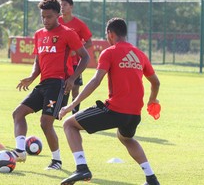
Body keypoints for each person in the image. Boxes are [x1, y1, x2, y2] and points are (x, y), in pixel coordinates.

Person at [59, 18, 160, 185]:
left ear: (110, 34)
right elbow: (155, 82)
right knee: (126, 138)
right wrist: (152, 100)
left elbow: (95, 81)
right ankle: (151, 178)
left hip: (114, 110)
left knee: (69, 125)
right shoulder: (140, 55)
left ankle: (81, 168)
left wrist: (71, 105)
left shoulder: (110, 52)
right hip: (134, 114)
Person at [11, 0, 90, 170]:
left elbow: (85, 57)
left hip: (59, 84)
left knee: (45, 123)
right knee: (18, 113)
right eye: (43, 17)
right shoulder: (39, 34)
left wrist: (72, 78)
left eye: (49, 17)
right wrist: (31, 77)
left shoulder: (68, 33)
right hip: (44, 83)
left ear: (57, 15)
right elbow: (38, 60)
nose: (45, 20)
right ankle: (20, 151)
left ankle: (57, 161)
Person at [59, 0, 92, 114]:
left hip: (75, 62)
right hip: (61, 62)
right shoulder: (57, 22)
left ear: (71, 7)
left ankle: (75, 113)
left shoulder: (79, 24)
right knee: (59, 87)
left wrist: (76, 50)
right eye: (61, 5)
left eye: (65, 5)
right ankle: (57, 111)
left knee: (75, 88)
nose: (62, 7)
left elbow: (89, 42)